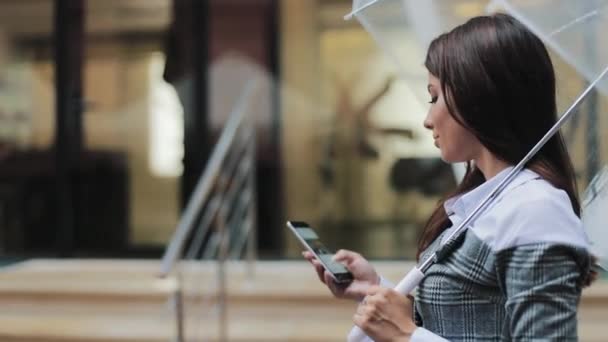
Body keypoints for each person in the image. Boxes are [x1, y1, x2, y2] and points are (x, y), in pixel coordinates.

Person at [303, 13, 597, 341]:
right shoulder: (488, 200)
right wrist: (374, 289)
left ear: (478, 95)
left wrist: (405, 335)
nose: (428, 120)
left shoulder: (536, 210)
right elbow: (463, 321)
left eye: (434, 96)